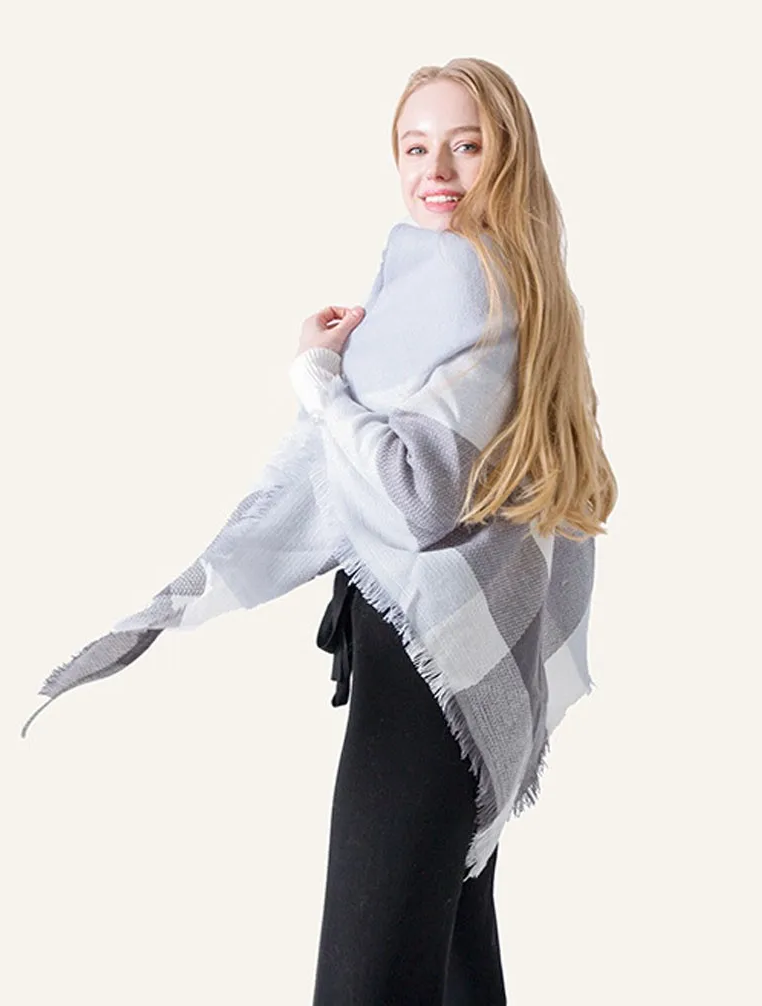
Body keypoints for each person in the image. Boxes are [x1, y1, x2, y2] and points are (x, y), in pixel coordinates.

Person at [295, 58, 618, 1006]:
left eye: (465, 146)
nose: (435, 170)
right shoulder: (490, 288)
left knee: (367, 982)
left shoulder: (473, 296)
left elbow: (418, 495)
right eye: (415, 147)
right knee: (451, 966)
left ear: (506, 158)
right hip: (448, 665)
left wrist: (319, 381)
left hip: (424, 667)